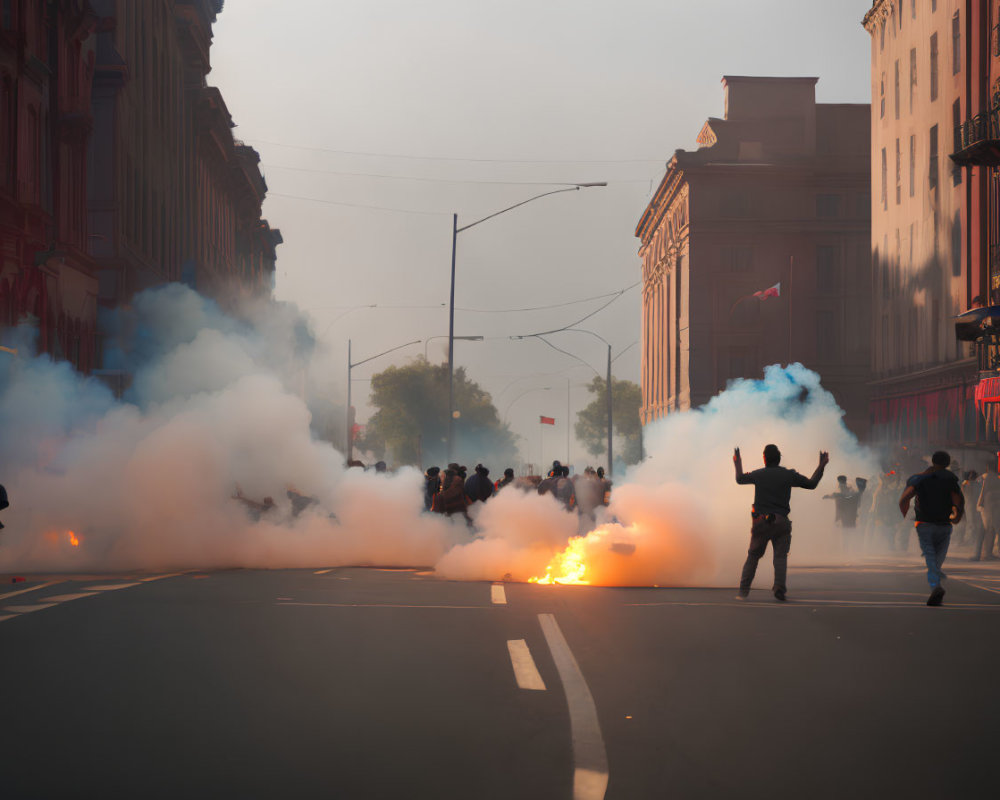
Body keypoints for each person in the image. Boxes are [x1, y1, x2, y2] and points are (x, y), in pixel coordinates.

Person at [734, 444, 829, 601]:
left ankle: (743, 591)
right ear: (779, 459)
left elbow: (739, 479)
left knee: (753, 556)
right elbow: (812, 484)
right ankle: (779, 588)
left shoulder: (759, 474)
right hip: (781, 522)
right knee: (780, 557)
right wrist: (821, 465)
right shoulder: (788, 475)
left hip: (761, 522)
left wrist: (738, 462)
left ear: (764, 458)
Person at [899, 451, 965, 606]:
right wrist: (956, 517)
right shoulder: (950, 480)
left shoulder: (920, 478)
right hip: (944, 525)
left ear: (933, 461)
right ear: (947, 463)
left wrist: (904, 513)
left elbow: (905, 497)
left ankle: (936, 586)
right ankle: (936, 581)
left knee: (930, 556)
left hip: (924, 524)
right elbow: (959, 502)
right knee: (938, 558)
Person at [975, 461, 1000, 561]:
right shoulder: (996, 478)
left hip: (987, 508)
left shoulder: (986, 477)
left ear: (987, 467)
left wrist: (979, 504)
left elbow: (983, 491)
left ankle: (985, 554)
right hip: (994, 507)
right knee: (992, 529)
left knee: (988, 530)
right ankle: (987, 554)